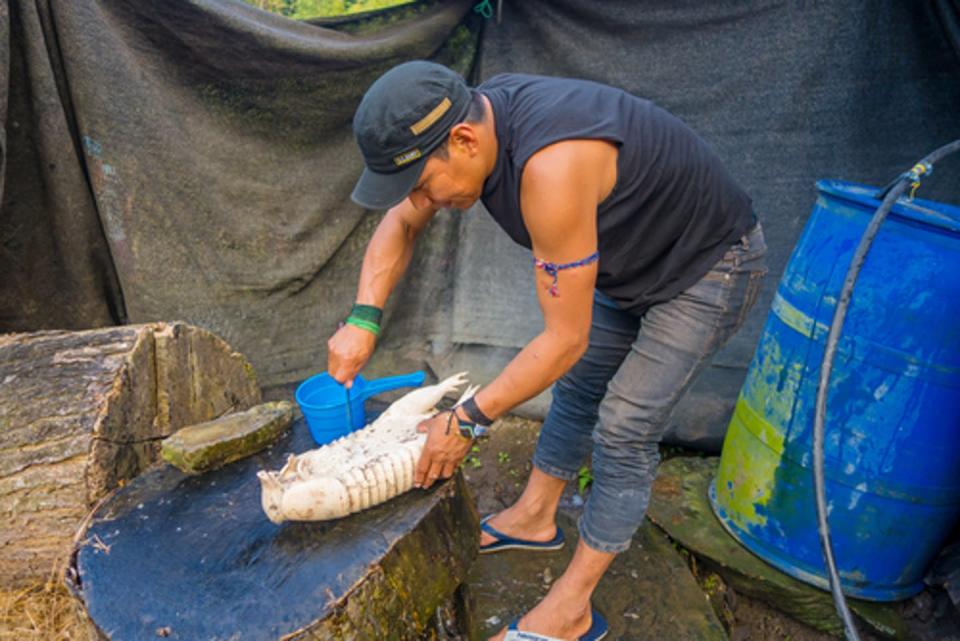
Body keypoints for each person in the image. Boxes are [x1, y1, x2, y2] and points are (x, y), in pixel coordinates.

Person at [327, 60, 767, 641]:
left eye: (420, 184)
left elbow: (564, 337)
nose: (418, 200)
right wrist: (362, 318)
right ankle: (536, 518)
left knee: (624, 424)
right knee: (580, 383)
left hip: (706, 267)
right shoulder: (469, 124)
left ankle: (573, 607)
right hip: (626, 263)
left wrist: (467, 421)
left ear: (462, 141)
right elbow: (401, 223)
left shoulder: (552, 165)